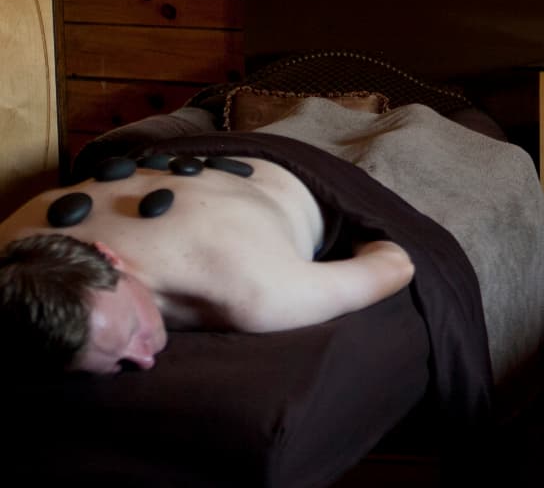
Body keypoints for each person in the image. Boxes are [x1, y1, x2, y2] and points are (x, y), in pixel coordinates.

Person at [0, 153, 415, 376]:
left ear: (110, 258)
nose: (143, 360)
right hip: (168, 155)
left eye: (134, 330)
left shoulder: (258, 293)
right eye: (113, 364)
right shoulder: (10, 247)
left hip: (295, 168)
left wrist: (355, 230)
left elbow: (396, 262)